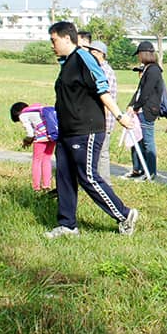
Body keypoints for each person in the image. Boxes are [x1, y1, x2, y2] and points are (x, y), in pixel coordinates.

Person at [44, 21, 138, 238]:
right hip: (67, 131)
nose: (52, 45)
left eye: (54, 40)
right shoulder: (66, 63)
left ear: (67, 38)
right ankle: (67, 225)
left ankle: (124, 214)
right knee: (65, 177)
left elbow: (102, 88)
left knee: (88, 176)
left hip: (86, 129)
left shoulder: (83, 57)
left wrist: (120, 116)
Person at [123, 41, 163, 181]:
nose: (138, 57)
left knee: (148, 142)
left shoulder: (154, 70)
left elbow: (146, 92)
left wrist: (136, 106)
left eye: (139, 54)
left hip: (147, 111)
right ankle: (140, 169)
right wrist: (131, 105)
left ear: (144, 54)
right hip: (140, 110)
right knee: (139, 140)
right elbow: (139, 91)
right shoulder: (146, 69)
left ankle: (150, 172)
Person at [83, 40, 117, 183]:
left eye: (92, 52)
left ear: (99, 54)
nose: (90, 55)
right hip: (100, 119)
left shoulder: (103, 71)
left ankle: (104, 182)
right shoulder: (100, 69)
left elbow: (104, 97)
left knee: (101, 153)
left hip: (103, 119)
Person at [11, 101, 56, 192]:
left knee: (37, 161)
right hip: (52, 135)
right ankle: (46, 186)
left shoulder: (23, 115)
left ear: (17, 113)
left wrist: (26, 141)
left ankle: (36, 187)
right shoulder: (38, 109)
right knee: (47, 160)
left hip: (40, 138)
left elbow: (30, 134)